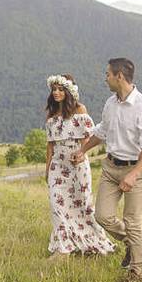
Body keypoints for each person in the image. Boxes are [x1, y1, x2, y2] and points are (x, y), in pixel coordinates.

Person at [72, 58, 142, 282]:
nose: (105, 77)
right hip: (111, 168)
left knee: (133, 221)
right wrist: (83, 150)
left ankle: (137, 275)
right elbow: (102, 131)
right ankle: (131, 243)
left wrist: (134, 175)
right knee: (102, 216)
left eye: (108, 74)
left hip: (135, 169)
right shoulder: (111, 103)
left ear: (119, 76)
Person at [43, 74, 115, 260]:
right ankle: (63, 248)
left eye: (60, 89)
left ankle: (89, 241)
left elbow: (91, 137)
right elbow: (50, 144)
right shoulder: (51, 114)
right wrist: (47, 168)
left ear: (68, 91)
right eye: (54, 89)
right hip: (57, 165)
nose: (57, 93)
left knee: (82, 204)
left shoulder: (79, 109)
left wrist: (83, 154)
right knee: (56, 204)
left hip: (77, 165)